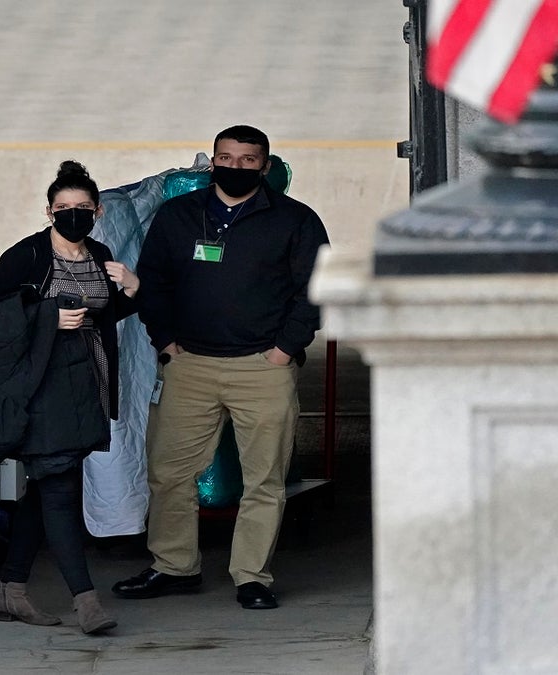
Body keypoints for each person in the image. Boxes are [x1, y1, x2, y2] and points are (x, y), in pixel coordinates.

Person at [114, 125, 329, 610]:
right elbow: (156, 282)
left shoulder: (295, 221)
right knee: (169, 472)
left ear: (265, 166)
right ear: (213, 161)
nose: (235, 167)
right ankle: (174, 566)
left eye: (248, 160)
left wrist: (284, 350)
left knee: (264, 480)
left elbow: (314, 290)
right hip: (189, 365)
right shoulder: (178, 215)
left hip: (263, 368)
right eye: (226, 158)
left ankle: (252, 576)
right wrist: (165, 342)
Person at [0, 161, 138, 634]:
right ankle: (87, 602)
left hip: (86, 383)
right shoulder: (27, 255)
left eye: (81, 208)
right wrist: (46, 317)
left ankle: (10, 590)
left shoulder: (99, 252)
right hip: (41, 386)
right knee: (58, 489)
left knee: (49, 485)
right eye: (62, 208)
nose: (72, 215)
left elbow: (105, 313)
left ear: (96, 211)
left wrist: (133, 289)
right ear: (48, 211)